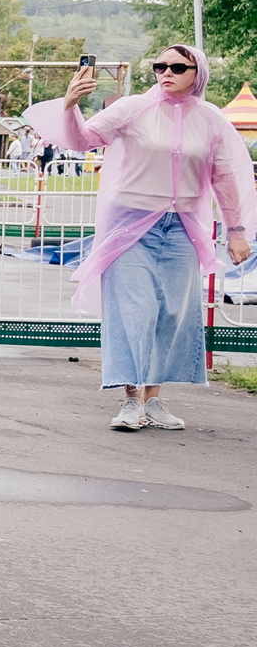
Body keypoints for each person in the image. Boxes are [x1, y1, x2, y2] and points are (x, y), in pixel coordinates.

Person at [30, 46, 255, 430]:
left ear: (196, 73)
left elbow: (224, 178)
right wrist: (69, 106)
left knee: (171, 313)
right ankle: (130, 399)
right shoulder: (132, 108)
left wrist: (236, 232)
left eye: (177, 67)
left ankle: (154, 399)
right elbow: (83, 139)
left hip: (183, 227)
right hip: (130, 225)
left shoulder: (211, 120)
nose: (166, 72)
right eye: (160, 66)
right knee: (134, 310)